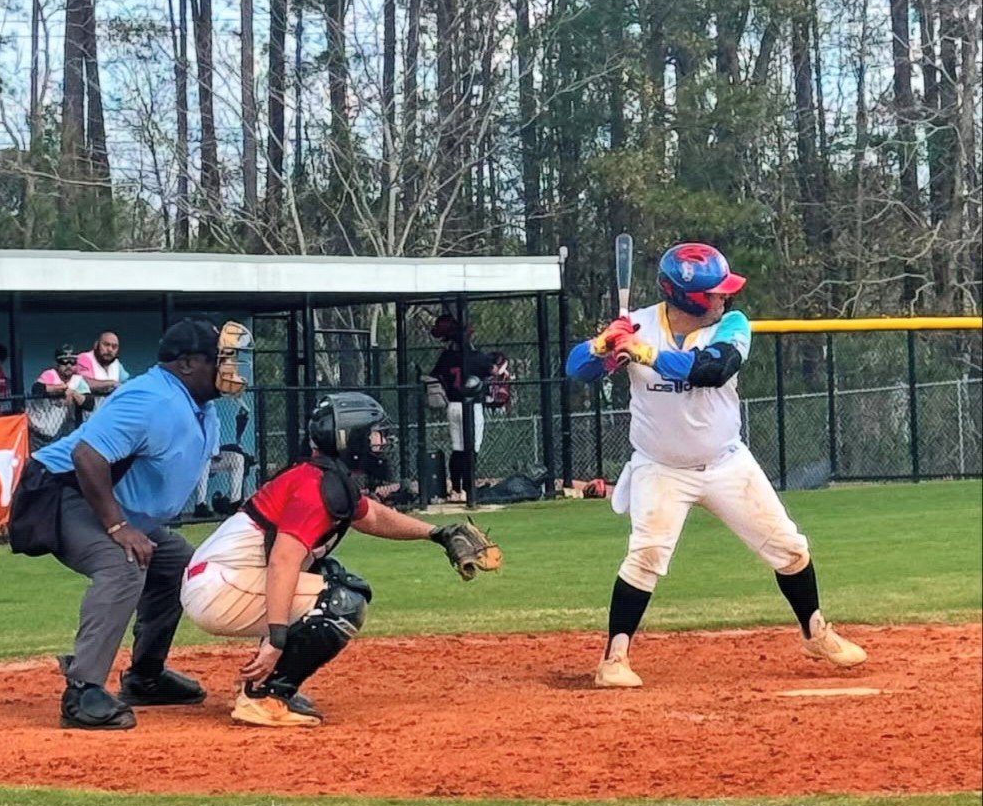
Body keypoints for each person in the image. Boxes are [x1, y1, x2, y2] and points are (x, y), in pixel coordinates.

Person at [565, 242, 866, 688]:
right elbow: (578, 371)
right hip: (660, 466)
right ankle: (615, 659)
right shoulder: (639, 325)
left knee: (789, 548)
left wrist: (646, 354)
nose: (724, 298)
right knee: (645, 556)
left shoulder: (732, 325)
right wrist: (604, 344)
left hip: (726, 462)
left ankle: (815, 632)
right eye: (714, 293)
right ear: (686, 295)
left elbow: (713, 368)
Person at [181, 391, 503, 727]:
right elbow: (283, 562)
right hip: (218, 587)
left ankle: (264, 685)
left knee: (330, 575)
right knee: (341, 600)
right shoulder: (316, 487)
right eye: (374, 433)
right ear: (351, 439)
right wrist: (276, 640)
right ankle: (264, 697)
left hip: (221, 580)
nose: (381, 441)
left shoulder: (324, 478)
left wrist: (436, 533)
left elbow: (374, 517)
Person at [8, 318, 253, 730]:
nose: (230, 369)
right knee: (123, 565)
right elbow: (88, 456)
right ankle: (82, 692)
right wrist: (118, 527)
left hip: (105, 499)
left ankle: (145, 677)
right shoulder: (152, 397)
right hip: (58, 492)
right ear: (188, 363)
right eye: (220, 359)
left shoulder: (199, 407)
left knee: (177, 563)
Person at [428, 314, 493, 501]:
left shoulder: (446, 357)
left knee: (458, 449)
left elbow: (435, 376)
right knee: (471, 449)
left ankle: (456, 489)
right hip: (471, 407)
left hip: (452, 405)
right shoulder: (476, 357)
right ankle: (469, 489)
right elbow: (492, 370)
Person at [26, 345, 95, 444]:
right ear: (57, 364)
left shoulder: (77, 380)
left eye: (72, 362)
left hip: (61, 431)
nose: (69, 366)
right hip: (38, 430)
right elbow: (36, 389)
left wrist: (73, 393)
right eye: (64, 362)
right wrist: (61, 389)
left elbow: (90, 404)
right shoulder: (50, 375)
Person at [75, 331, 129, 401]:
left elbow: (125, 382)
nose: (110, 349)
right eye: (106, 345)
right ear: (96, 345)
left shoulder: (116, 363)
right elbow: (83, 383)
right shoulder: (84, 358)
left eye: (114, 347)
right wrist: (111, 383)